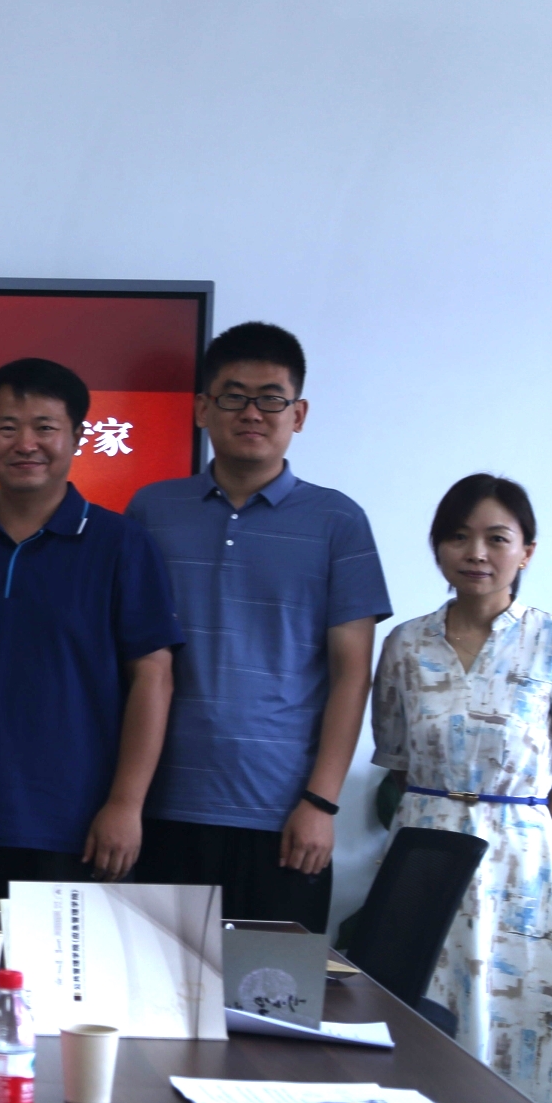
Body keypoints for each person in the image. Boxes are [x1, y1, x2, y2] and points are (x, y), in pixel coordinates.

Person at [127, 322, 391, 931]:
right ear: (203, 409)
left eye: (271, 398)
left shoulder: (339, 522)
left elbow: (352, 676)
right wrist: (124, 799)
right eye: (233, 396)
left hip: (284, 817)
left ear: (298, 414)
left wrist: (322, 802)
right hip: (163, 807)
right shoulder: (151, 511)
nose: (252, 412)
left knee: (272, 989)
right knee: (160, 982)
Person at [372, 475, 552, 1103]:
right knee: (415, 987)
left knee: (514, 1011)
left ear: (526, 551)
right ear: (438, 548)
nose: (475, 552)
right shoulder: (404, 645)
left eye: (496, 538)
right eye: (458, 536)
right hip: (422, 844)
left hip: (518, 857)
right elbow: (398, 759)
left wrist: (529, 840)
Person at [0, 359, 181, 903]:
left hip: (79, 826)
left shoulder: (121, 544)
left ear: (77, 437)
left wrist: (126, 804)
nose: (26, 444)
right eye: (7, 427)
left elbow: (154, 677)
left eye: (45, 427)